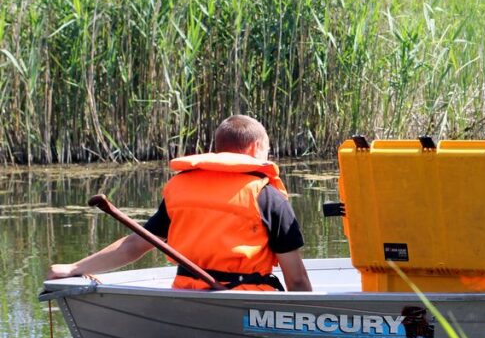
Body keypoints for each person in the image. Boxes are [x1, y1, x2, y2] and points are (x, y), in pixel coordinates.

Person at [47, 115, 313, 292]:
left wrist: (74, 268)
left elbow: (134, 246)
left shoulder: (181, 188)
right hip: (248, 301)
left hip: (188, 294)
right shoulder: (267, 196)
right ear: (256, 148)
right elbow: (297, 277)